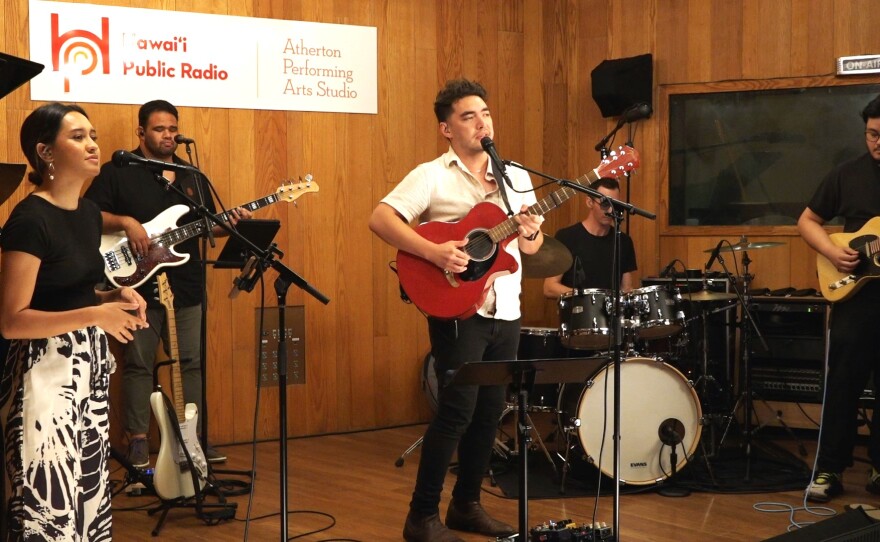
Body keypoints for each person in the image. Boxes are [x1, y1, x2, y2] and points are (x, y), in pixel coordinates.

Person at [369, 79, 543, 542]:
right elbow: (381, 218)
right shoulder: (432, 174)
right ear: (447, 128)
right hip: (457, 308)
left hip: (506, 307)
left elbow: (532, 243)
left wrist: (529, 229)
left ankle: (467, 506)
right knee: (456, 412)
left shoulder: (516, 177)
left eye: (485, 113)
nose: (481, 122)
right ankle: (421, 516)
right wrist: (434, 253)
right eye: (469, 116)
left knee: (490, 413)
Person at [0, 102, 148, 540]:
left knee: (88, 498)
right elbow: (12, 320)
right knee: (49, 509)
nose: (93, 145)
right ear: (45, 151)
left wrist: (114, 297)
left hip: (88, 374)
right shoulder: (29, 219)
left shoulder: (86, 215)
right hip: (42, 379)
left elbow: (73, 293)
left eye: (93, 135)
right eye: (78, 136)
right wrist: (96, 314)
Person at [84, 99, 248, 468]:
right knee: (139, 363)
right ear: (141, 132)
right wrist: (127, 222)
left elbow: (206, 226)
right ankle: (138, 441)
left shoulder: (192, 176)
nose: (168, 136)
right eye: (160, 129)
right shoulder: (118, 171)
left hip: (186, 283)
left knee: (190, 362)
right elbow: (90, 213)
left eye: (173, 129)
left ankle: (190, 441)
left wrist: (229, 223)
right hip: (133, 284)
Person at [799, 93, 880, 503]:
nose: (877, 142)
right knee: (843, 382)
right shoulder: (846, 174)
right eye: (872, 134)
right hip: (855, 298)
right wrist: (832, 252)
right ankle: (829, 469)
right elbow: (808, 220)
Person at [543, 177, 637, 297]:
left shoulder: (623, 241)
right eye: (605, 203)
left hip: (610, 314)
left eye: (615, 205)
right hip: (578, 312)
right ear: (589, 202)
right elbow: (549, 287)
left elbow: (626, 289)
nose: (610, 210)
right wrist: (588, 298)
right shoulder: (566, 237)